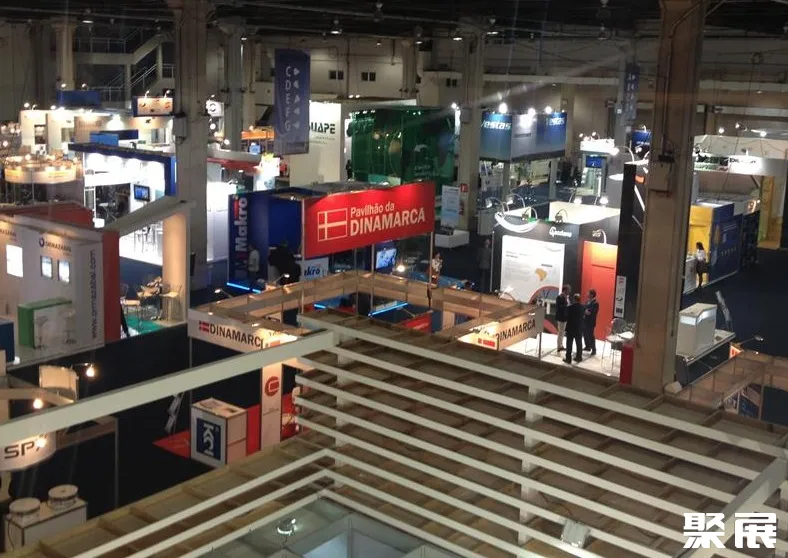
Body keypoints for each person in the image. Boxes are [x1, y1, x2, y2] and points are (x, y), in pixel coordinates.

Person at [565, 293, 585, 364]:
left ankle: (568, 358)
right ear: (579, 300)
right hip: (579, 328)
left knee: (569, 343)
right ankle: (579, 357)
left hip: (570, 328)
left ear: (574, 299)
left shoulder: (570, 307)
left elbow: (566, 316)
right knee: (579, 343)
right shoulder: (583, 307)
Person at [583, 289, 599, 356]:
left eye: (588, 293)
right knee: (585, 334)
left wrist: (586, 311)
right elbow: (584, 309)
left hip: (591, 322)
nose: (587, 294)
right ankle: (587, 347)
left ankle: (594, 349)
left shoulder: (596, 303)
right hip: (585, 321)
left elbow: (591, 312)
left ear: (592, 295)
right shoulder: (587, 301)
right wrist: (586, 311)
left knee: (591, 335)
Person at [555, 285, 570, 353]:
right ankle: (559, 346)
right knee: (560, 332)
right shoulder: (559, 297)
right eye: (568, 290)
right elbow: (558, 307)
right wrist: (567, 305)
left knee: (562, 332)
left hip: (565, 317)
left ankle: (561, 345)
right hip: (561, 318)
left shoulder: (566, 297)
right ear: (565, 290)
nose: (569, 291)